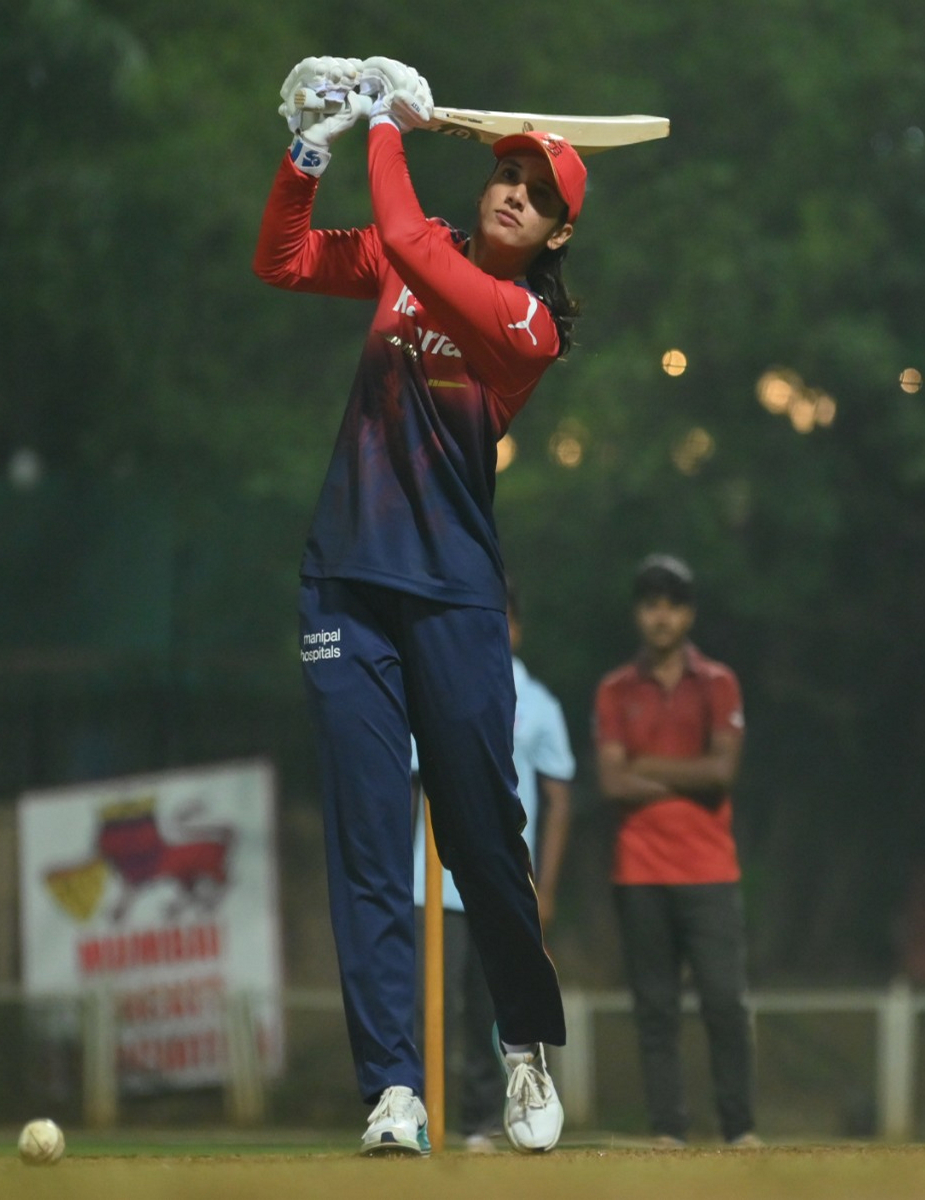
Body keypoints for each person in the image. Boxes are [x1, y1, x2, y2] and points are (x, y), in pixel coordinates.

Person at [253, 54, 587, 1156]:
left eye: (537, 196)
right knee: (366, 847)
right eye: (506, 174)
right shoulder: (422, 253)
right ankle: (392, 1089)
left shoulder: (526, 325)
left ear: (553, 237)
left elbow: (403, 241)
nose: (512, 193)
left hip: (452, 595)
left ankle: (527, 1047)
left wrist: (385, 128)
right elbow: (285, 259)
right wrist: (310, 151)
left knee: (484, 840)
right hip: (344, 582)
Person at [593, 555, 760, 1148]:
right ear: (639, 614)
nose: (660, 617)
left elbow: (724, 771)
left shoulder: (718, 682)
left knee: (723, 1000)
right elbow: (610, 784)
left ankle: (740, 1128)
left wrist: (647, 767)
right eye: (650, 604)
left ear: (688, 613)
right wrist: (687, 775)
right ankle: (668, 1129)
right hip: (639, 868)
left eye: (671, 604)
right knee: (655, 1006)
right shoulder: (616, 689)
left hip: (708, 866)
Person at [411, 583, 574, 1152]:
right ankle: (415, 1111)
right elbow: (417, 786)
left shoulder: (541, 706)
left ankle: (481, 1121)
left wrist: (545, 886)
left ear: (517, 629)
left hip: (502, 877)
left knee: (490, 1004)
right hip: (433, 878)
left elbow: (558, 798)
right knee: (429, 1002)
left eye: (503, 620)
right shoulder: (437, 689)